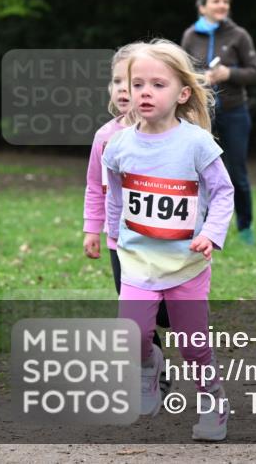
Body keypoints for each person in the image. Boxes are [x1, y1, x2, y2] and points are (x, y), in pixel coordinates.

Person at [103, 39, 235, 441]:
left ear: (181, 94)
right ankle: (148, 365)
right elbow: (115, 196)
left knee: (194, 345)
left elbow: (225, 191)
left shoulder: (195, 143)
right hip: (139, 262)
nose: (144, 91)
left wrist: (211, 234)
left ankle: (213, 401)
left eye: (157, 85)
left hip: (186, 265)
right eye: (137, 83)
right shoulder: (118, 145)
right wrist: (114, 239)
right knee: (133, 334)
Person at [83, 43, 172, 396]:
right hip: (121, 241)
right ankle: (152, 372)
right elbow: (94, 187)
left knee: (169, 314)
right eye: (117, 81)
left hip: (168, 241)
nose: (123, 88)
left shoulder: (174, 135)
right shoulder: (105, 137)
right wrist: (92, 228)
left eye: (131, 81)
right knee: (138, 316)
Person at [181, 0, 256, 244]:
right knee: (200, 173)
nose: (222, 6)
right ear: (202, 6)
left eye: (225, 1)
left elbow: (255, 73)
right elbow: (182, 73)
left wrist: (229, 73)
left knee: (237, 173)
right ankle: (201, 228)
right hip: (201, 115)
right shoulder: (191, 35)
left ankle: (245, 228)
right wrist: (199, 78)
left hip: (235, 112)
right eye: (216, 1)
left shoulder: (239, 35)